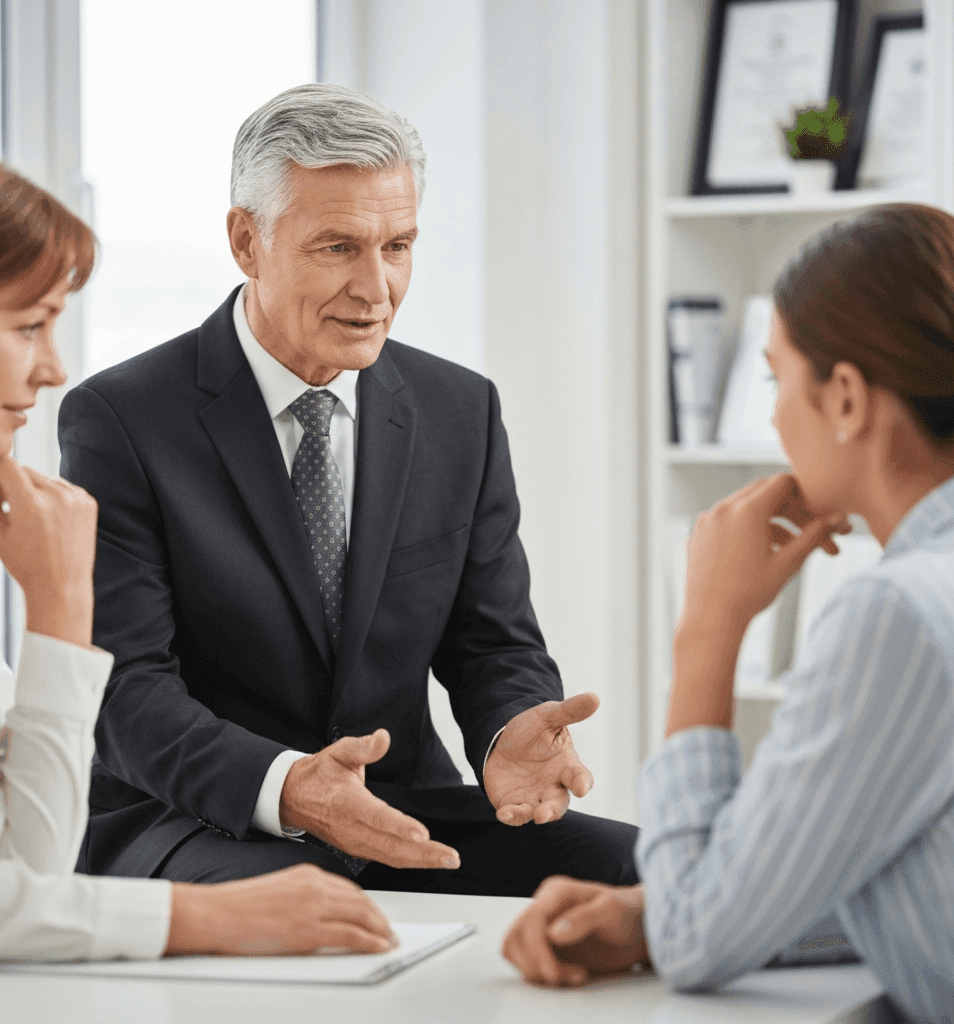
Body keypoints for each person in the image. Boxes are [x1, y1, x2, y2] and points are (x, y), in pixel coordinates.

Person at [57, 82, 640, 894]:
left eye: (398, 246)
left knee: (641, 871)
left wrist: (508, 731)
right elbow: (125, 691)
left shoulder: (459, 409)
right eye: (338, 248)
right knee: (319, 900)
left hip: (399, 805)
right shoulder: (122, 419)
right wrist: (291, 788)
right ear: (246, 241)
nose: (377, 290)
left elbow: (492, 644)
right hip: (196, 818)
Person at [0, 134, 398, 967]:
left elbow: (23, 869)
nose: (52, 369)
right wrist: (203, 921)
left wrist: (60, 612)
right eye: (30, 326)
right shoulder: (127, 418)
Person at [502, 203, 954, 1022]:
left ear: (847, 398)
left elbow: (698, 938)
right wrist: (654, 913)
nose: (775, 416)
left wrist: (707, 631)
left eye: (778, 380)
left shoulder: (900, 616)